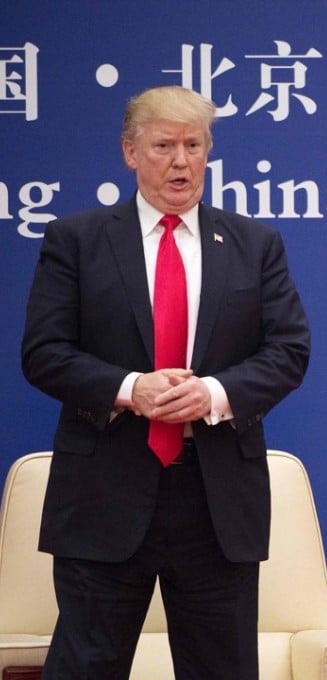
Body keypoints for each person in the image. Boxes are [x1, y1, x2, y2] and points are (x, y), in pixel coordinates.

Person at [21, 85, 311, 679]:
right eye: (163, 146)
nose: (181, 161)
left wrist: (212, 394)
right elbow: (44, 353)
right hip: (105, 496)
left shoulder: (255, 245)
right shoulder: (77, 241)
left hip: (215, 503)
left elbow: (288, 350)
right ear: (130, 152)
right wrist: (132, 388)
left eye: (194, 145)